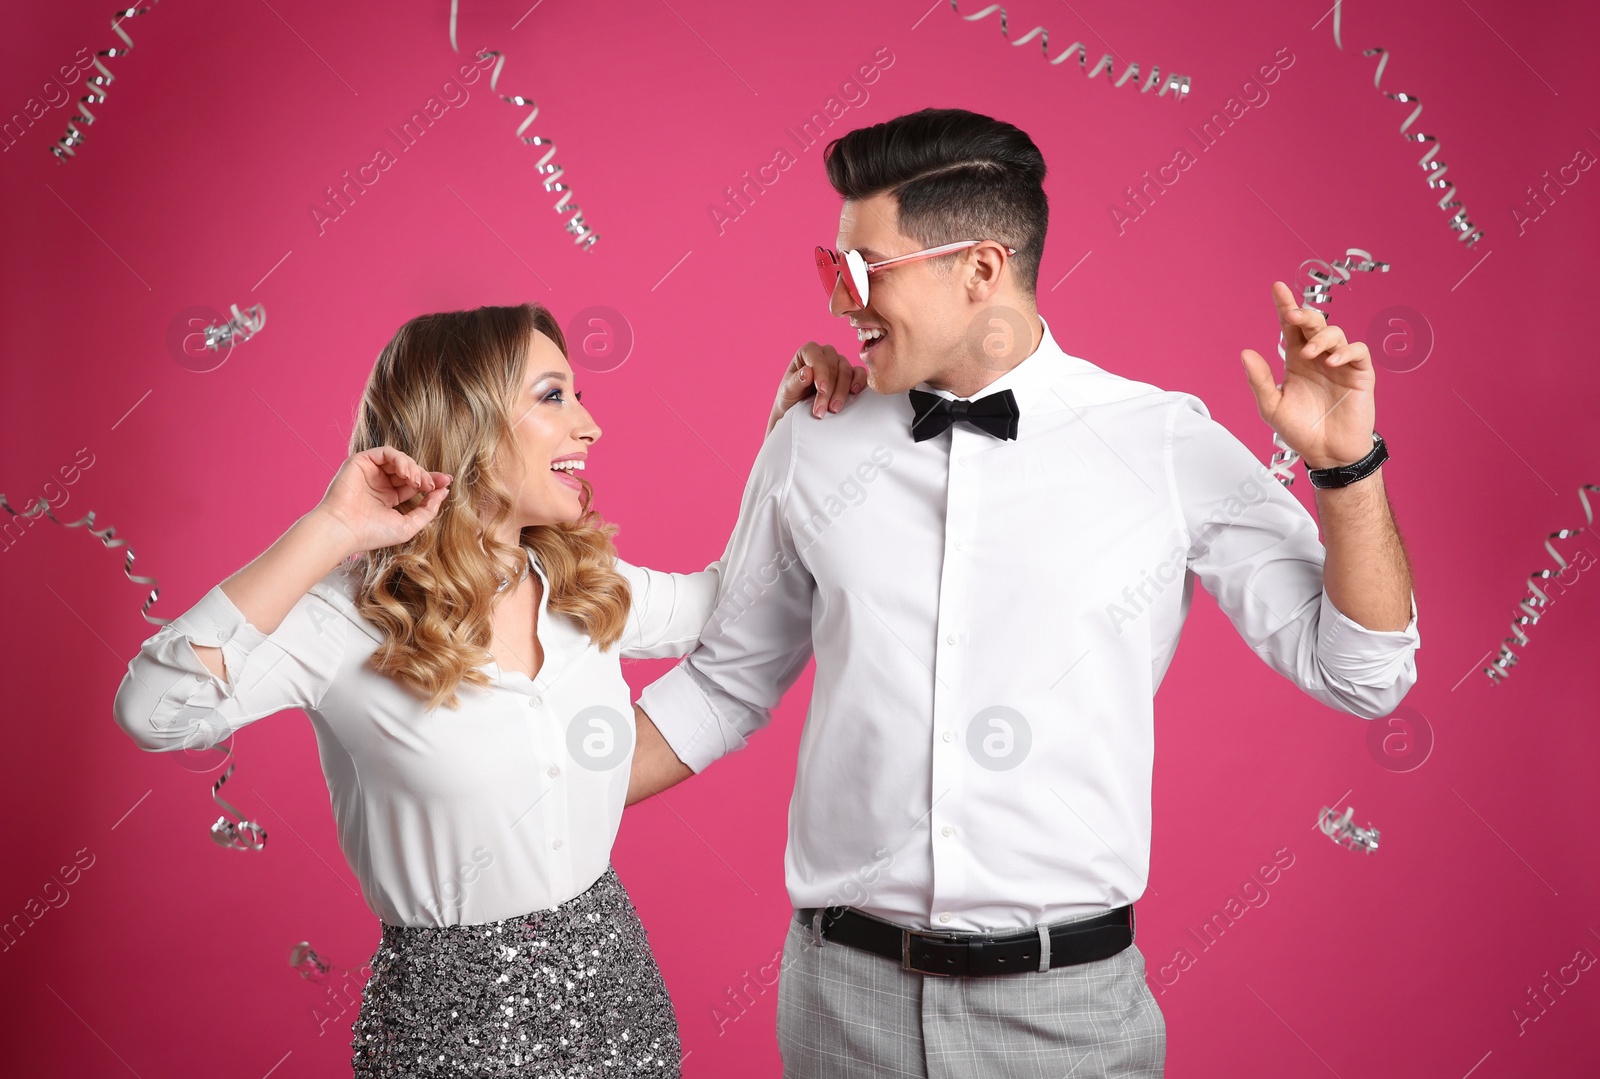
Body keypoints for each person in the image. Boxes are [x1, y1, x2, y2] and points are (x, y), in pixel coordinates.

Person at [625, 107, 1420, 1078]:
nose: (841, 301)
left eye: (864, 270)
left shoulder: (1160, 442)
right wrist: (510, 795)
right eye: (832, 269)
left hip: (1066, 1020)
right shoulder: (814, 433)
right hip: (839, 1004)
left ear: (981, 270)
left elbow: (1363, 671)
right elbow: (724, 681)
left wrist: (1349, 469)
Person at [110, 301, 865, 1077]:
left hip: (620, 1008)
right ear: (465, 424)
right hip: (444, 1040)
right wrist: (331, 528)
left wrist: (787, 443)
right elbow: (158, 709)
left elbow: (737, 602)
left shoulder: (583, 587)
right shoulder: (341, 619)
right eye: (553, 395)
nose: (590, 425)